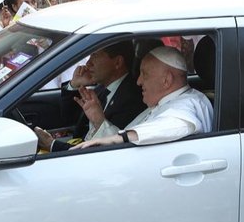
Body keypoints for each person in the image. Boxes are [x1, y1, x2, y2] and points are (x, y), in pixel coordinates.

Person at [74, 45, 213, 149]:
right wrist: (99, 121)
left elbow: (178, 125)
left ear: (166, 80)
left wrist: (118, 138)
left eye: (145, 74)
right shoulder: (162, 103)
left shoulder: (188, 104)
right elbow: (125, 143)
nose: (139, 81)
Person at [35, 40, 144, 151]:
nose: (88, 63)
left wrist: (52, 145)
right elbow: (70, 119)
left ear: (117, 62)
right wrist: (74, 85)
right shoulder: (102, 88)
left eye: (95, 56)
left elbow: (108, 149)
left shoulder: (132, 99)